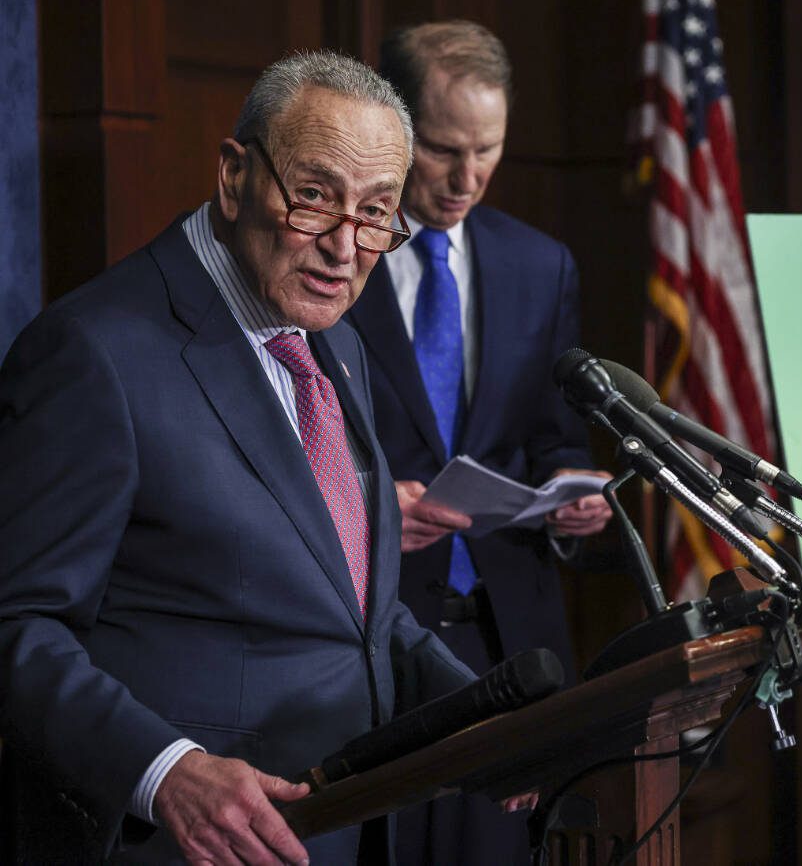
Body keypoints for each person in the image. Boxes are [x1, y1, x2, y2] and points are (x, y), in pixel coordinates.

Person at [0, 50, 482, 864]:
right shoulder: (93, 354)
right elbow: (16, 623)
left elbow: (357, 613)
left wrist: (495, 715)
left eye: (376, 214)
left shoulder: (336, 345)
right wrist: (167, 771)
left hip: (341, 829)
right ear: (233, 178)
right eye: (315, 198)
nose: (344, 247)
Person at [344, 20, 613, 864]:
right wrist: (366, 509)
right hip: (368, 638)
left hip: (506, 642)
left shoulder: (541, 265)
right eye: (444, 150)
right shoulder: (333, 258)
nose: (467, 178)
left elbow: (549, 442)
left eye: (487, 151)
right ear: (393, 126)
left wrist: (571, 496)